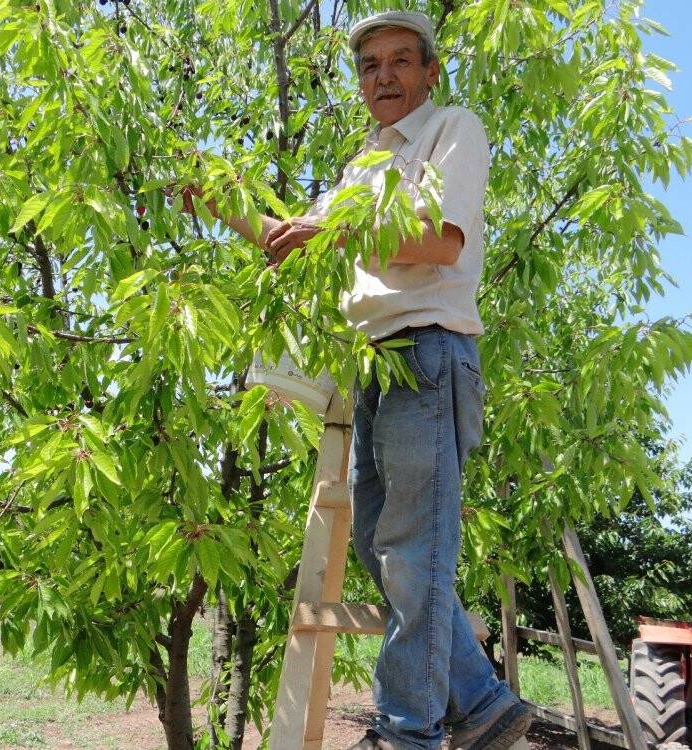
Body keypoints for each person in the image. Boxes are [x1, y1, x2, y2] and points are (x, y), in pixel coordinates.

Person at [171, 11, 532, 750]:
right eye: (370, 65)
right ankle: (483, 702)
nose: (385, 76)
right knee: (381, 545)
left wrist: (330, 231)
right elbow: (296, 245)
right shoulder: (365, 164)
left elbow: (438, 242)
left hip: (429, 354)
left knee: (413, 552)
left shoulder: (452, 129)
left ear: (431, 71)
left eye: (402, 60)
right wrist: (223, 203)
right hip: (373, 365)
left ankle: (408, 733)